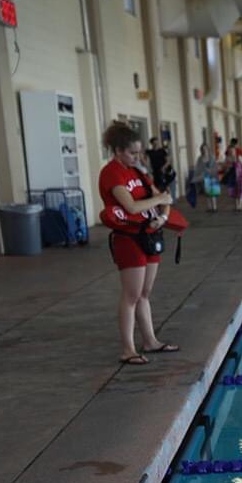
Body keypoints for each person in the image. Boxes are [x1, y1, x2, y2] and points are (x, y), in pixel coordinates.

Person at [98, 121, 179, 365]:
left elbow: (164, 198)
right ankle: (127, 349)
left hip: (148, 235)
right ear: (118, 151)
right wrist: (159, 201)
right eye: (132, 153)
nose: (137, 157)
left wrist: (162, 217)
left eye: (138, 152)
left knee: (145, 294)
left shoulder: (138, 172)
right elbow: (130, 206)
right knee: (131, 295)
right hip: (128, 239)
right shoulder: (112, 173)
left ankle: (150, 341)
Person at [223, 138, 242, 211]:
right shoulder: (228, 158)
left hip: (240, 176)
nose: (231, 152)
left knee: (240, 191)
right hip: (232, 177)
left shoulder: (239, 157)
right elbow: (225, 166)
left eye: (233, 151)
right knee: (234, 191)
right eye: (230, 151)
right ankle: (236, 205)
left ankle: (240, 205)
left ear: (235, 151)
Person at [194, 143, 219, 213]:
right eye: (203, 149)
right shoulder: (200, 158)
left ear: (208, 149)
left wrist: (211, 170)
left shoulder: (212, 157)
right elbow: (198, 167)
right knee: (207, 193)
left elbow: (215, 166)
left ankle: (214, 207)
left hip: (212, 176)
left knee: (213, 193)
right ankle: (209, 207)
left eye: (205, 149)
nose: (204, 150)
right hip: (204, 177)